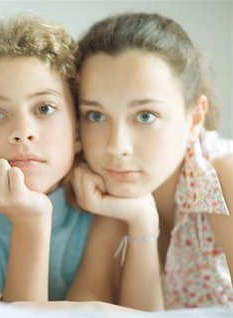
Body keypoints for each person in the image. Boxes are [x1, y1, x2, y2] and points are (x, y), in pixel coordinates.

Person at [0, 15, 163, 311]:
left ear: (77, 131)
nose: (22, 131)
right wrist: (29, 221)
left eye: (44, 108)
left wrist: (143, 219)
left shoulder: (101, 210)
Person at [72, 12, 233, 309]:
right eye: (95, 115)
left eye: (146, 116)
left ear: (195, 118)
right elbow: (86, 308)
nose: (117, 147)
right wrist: (141, 219)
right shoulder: (105, 191)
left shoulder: (223, 175)